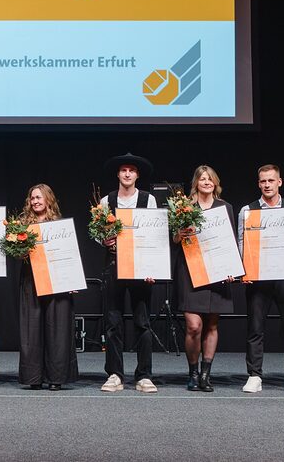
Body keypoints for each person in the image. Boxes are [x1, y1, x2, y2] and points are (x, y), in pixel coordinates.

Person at [236, 164, 284, 394]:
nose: (267, 185)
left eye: (271, 180)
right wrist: (245, 270)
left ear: (280, 182)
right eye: (263, 181)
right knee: (255, 328)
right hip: (258, 276)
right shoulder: (247, 210)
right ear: (258, 184)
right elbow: (242, 243)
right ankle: (254, 375)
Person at [96, 152, 163, 394]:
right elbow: (97, 231)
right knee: (113, 322)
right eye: (123, 170)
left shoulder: (148, 199)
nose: (127, 174)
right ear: (118, 174)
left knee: (142, 323)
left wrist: (153, 268)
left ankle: (144, 376)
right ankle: (115, 374)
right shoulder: (106, 200)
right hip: (114, 265)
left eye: (131, 170)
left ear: (137, 175)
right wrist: (103, 239)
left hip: (141, 267)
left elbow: (155, 235)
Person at [172, 165, 236, 392]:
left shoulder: (225, 207)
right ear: (196, 183)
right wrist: (179, 235)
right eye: (202, 179)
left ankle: (205, 375)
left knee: (211, 324)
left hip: (218, 271)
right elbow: (173, 239)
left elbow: (230, 240)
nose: (206, 182)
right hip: (191, 270)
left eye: (210, 179)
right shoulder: (185, 207)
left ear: (215, 183)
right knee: (193, 326)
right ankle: (193, 372)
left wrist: (232, 268)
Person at [17, 184, 78, 391]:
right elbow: (17, 255)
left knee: (57, 329)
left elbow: (69, 255)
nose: (35, 201)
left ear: (48, 199)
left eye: (39, 197)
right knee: (32, 329)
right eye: (32, 198)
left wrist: (72, 281)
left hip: (57, 281)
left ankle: (56, 377)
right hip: (31, 279)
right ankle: (34, 377)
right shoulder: (23, 226)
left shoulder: (59, 225)